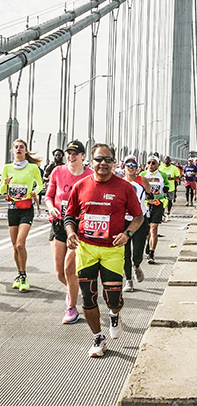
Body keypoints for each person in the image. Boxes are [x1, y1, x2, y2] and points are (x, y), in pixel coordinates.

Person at [65, 143, 143, 357]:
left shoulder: (125, 187)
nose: (103, 164)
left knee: (114, 299)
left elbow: (138, 217)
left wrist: (127, 234)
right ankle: (98, 338)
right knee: (88, 298)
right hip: (86, 249)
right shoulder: (80, 186)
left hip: (112, 250)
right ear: (92, 162)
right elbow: (69, 216)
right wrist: (70, 233)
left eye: (108, 160)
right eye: (99, 159)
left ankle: (114, 314)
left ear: (114, 163)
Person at [45, 140, 93, 323]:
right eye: (69, 153)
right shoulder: (58, 171)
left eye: (75, 153)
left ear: (83, 156)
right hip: (58, 224)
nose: (71, 156)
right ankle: (73, 290)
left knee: (69, 268)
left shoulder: (90, 175)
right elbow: (49, 196)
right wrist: (50, 207)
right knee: (59, 272)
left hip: (78, 226)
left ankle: (71, 308)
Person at [0, 139, 43, 292]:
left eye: (21, 147)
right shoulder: (7, 168)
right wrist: (5, 183)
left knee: (20, 244)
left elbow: (40, 184)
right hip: (12, 209)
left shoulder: (32, 168)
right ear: (13, 151)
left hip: (26, 209)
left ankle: (24, 275)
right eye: (16, 147)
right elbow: (2, 191)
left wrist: (34, 192)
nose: (18, 149)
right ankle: (19, 274)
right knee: (14, 247)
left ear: (25, 150)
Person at [122, 154, 150, 292]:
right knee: (125, 253)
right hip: (124, 221)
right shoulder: (119, 182)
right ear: (124, 167)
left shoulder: (142, 180)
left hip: (140, 219)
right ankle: (128, 281)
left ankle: (137, 266)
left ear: (137, 167)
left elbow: (150, 195)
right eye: (128, 164)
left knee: (137, 252)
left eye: (133, 164)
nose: (131, 167)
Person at [140, 155, 169, 264]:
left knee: (154, 229)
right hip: (145, 205)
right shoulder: (142, 175)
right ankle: (148, 242)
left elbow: (167, 185)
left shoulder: (162, 175)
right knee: (147, 230)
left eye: (153, 163)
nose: (151, 165)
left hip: (158, 204)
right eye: (149, 163)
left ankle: (151, 254)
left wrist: (166, 188)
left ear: (158, 164)